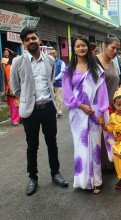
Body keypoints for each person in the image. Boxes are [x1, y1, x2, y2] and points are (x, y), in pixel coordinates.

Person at [10, 27, 68, 196]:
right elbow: (15, 88)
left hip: (48, 108)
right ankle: (33, 178)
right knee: (32, 146)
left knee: (52, 142)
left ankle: (55, 173)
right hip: (31, 111)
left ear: (39, 40)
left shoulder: (50, 61)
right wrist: (28, 100)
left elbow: (50, 81)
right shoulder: (18, 62)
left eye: (33, 38)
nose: (31, 41)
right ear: (24, 44)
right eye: (27, 40)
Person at [62, 35, 114, 194]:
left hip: (94, 113)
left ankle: (96, 181)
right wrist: (81, 106)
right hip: (77, 114)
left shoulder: (96, 69)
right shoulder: (68, 70)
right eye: (78, 46)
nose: (81, 48)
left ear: (88, 48)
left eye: (84, 45)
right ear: (74, 49)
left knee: (95, 147)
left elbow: (102, 92)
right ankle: (82, 180)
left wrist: (101, 111)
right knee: (81, 146)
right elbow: (67, 94)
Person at [102, 87, 121, 189]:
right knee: (118, 164)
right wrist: (104, 126)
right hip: (117, 145)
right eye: (118, 105)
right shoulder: (112, 116)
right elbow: (110, 128)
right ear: (114, 104)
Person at [96, 37, 121, 108]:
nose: (115, 51)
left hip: (112, 106)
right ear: (105, 46)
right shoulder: (94, 62)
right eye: (113, 47)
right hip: (98, 107)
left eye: (117, 49)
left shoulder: (114, 62)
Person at [4, 53, 21, 125]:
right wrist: (11, 89)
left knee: (18, 105)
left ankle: (19, 118)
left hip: (18, 89)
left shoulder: (15, 66)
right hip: (12, 90)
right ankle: (14, 120)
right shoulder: (8, 67)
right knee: (14, 106)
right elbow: (9, 79)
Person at [49, 49, 66, 118]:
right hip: (50, 84)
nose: (52, 55)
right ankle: (53, 112)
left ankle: (59, 112)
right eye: (51, 53)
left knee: (58, 99)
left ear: (57, 54)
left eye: (53, 53)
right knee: (51, 99)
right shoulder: (48, 62)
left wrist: (55, 78)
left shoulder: (61, 62)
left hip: (58, 83)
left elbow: (62, 72)